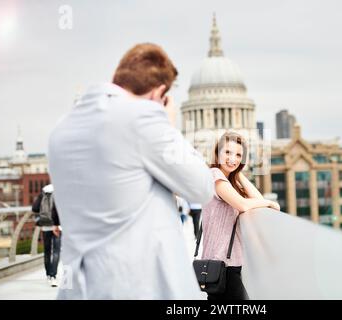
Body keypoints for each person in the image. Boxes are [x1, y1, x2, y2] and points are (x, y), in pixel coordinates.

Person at [48, 43, 214, 299]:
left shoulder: (61, 129)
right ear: (159, 93)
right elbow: (202, 187)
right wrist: (167, 124)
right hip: (138, 288)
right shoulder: (141, 119)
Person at [201, 132, 280, 300]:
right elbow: (243, 204)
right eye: (227, 152)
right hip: (222, 262)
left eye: (238, 155)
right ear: (217, 153)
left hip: (229, 262)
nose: (232, 158)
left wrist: (238, 173)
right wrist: (269, 203)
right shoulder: (215, 176)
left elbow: (257, 199)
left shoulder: (229, 180)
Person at [32, 184, 61, 287]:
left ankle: (48, 274)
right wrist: (56, 225)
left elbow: (35, 208)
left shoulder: (44, 191)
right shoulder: (59, 190)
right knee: (56, 251)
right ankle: (53, 276)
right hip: (57, 227)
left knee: (47, 251)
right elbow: (58, 209)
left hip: (45, 226)